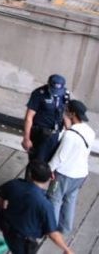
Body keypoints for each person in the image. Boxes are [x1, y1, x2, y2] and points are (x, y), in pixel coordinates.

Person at [0, 161, 72, 254]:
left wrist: (2, 210)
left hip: (6, 229)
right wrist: (67, 249)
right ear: (51, 177)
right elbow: (52, 233)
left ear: (30, 174)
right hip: (23, 241)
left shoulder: (14, 184)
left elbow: (1, 197)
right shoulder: (45, 204)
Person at [49, 100, 94, 237]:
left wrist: (49, 169)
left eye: (67, 110)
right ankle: (65, 228)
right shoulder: (90, 131)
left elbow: (60, 157)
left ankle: (51, 229)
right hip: (81, 174)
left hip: (64, 174)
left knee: (54, 199)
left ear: (72, 113)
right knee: (70, 200)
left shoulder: (69, 135)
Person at [24, 74, 70, 171]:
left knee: (49, 164)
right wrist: (26, 138)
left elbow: (65, 114)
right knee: (36, 163)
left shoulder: (65, 94)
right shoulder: (39, 94)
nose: (56, 93)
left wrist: (70, 132)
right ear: (48, 84)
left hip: (55, 134)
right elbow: (29, 117)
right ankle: (30, 184)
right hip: (40, 133)